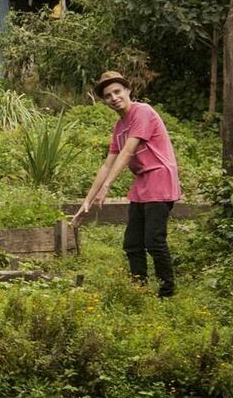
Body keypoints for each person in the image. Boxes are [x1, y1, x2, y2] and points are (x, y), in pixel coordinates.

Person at [72, 71, 181, 296]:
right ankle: (138, 290)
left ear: (128, 91)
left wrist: (107, 186)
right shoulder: (119, 126)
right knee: (132, 243)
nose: (114, 98)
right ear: (104, 101)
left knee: (154, 241)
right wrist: (87, 201)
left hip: (159, 178)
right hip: (142, 183)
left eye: (117, 92)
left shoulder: (142, 112)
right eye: (108, 95)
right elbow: (107, 164)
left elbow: (128, 151)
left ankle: (167, 293)